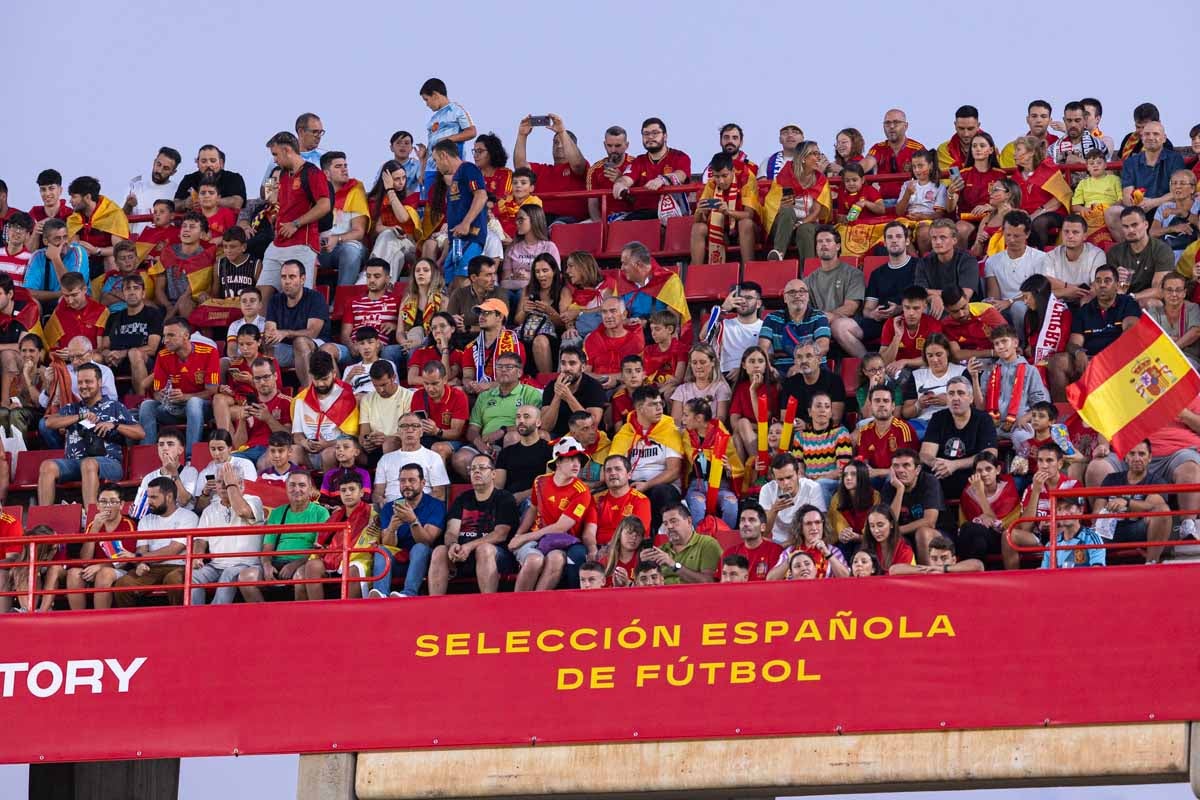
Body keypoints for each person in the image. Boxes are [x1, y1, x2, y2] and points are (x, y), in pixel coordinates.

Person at [37, 363, 143, 508]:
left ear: (99, 382)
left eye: (88, 381)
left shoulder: (115, 406)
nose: (83, 386)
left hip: (109, 463)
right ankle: (43, 517)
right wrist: (80, 417)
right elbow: (49, 423)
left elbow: (139, 432)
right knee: (47, 466)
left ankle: (91, 517)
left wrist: (115, 425)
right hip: (74, 463)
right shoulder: (72, 408)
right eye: (80, 382)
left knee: (89, 463)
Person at [427, 453, 520, 595]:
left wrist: (469, 546)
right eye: (473, 468)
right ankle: (434, 606)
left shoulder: (504, 498)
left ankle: (488, 604)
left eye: (482, 468)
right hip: (463, 554)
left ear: (494, 474)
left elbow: (500, 534)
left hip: (497, 557)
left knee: (484, 549)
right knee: (440, 551)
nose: (476, 471)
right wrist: (452, 545)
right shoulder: (462, 499)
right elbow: (452, 531)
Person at [1046, 265, 1141, 401]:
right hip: (1090, 361)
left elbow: (1130, 330)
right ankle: (1062, 414)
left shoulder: (1127, 303)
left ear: (1116, 285)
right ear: (1094, 285)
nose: (1102, 285)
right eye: (1098, 281)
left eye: (1107, 281)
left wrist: (1107, 357)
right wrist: (1079, 352)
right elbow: (1074, 343)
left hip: (1118, 358)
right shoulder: (1084, 311)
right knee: (1057, 362)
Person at [238, 471, 330, 602]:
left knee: (300, 578)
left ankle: (299, 620)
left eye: (302, 485)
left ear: (310, 489)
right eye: (292, 485)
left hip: (304, 563)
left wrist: (294, 565)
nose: (296, 489)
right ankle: (265, 618)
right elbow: (267, 546)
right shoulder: (277, 512)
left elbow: (318, 550)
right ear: (286, 488)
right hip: (277, 564)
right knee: (245, 577)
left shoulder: (321, 512)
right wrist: (267, 565)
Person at [113, 476, 200, 607]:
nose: (148, 501)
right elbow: (141, 549)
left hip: (178, 567)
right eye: (148, 497)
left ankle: (179, 622)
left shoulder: (188, 517)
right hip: (151, 568)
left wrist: (137, 557)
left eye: (153, 497)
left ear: (169, 497)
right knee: (123, 584)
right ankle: (132, 624)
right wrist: (139, 564)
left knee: (174, 580)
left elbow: (173, 550)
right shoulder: (145, 520)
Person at [138, 316, 217, 459]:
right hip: (174, 408)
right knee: (146, 405)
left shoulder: (209, 352)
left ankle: (189, 457)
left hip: (202, 408)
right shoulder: (162, 355)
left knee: (193, 403)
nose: (166, 340)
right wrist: (162, 396)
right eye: (164, 335)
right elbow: (156, 390)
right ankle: (148, 457)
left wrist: (185, 397)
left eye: (171, 335)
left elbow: (212, 390)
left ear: (186, 336)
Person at [608, 385, 685, 531]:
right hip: (632, 483)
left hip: (662, 485)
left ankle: (657, 537)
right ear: (639, 408)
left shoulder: (669, 429)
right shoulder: (626, 432)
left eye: (660, 403)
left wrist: (647, 485)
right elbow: (614, 466)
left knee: (661, 492)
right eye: (653, 404)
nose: (659, 408)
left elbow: (674, 471)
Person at [261, 131, 331, 292]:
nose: (274, 159)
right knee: (263, 292)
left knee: (298, 295)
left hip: (302, 243)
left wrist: (295, 224)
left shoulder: (312, 173)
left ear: (287, 150)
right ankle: (262, 319)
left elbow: (325, 205)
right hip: (277, 243)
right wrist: (272, 182)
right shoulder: (282, 174)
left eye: (276, 154)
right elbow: (269, 198)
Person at [452, 352, 541, 477]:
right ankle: (488, 487)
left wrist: (503, 431)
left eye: (509, 367)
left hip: (514, 440)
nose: (503, 370)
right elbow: (472, 429)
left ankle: (506, 484)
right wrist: (480, 444)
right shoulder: (484, 396)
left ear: (519, 372)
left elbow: (532, 424)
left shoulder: (530, 393)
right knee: (460, 458)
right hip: (486, 443)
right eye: (499, 367)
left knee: (512, 437)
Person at [190, 463, 265, 605]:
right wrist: (197, 557)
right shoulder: (209, 510)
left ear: (241, 484)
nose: (224, 485)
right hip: (216, 565)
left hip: (247, 565)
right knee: (193, 576)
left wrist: (232, 485)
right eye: (220, 481)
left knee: (228, 574)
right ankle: (195, 616)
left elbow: (242, 511)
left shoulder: (253, 501)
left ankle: (214, 617)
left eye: (228, 481)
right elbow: (200, 540)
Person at [366, 465, 445, 598]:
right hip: (399, 560)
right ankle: (380, 593)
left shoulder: (436, 505)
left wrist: (413, 521)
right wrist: (392, 528)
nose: (406, 485)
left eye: (411, 480)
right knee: (382, 550)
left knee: (420, 548)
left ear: (423, 483)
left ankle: (409, 593)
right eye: (402, 481)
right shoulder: (389, 507)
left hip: (426, 562)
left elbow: (427, 540)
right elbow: (388, 544)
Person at [920, 374, 998, 505]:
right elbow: (925, 454)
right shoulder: (938, 418)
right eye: (951, 394)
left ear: (971, 398)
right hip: (941, 473)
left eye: (961, 393)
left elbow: (990, 454)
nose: (955, 398)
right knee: (925, 478)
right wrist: (937, 464)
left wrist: (954, 465)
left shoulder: (983, 419)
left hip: (971, 474)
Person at [263, 260, 343, 387]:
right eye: (283, 277)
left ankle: (310, 391)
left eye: (292, 277)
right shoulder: (275, 300)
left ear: (302, 279)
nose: (287, 281)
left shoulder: (315, 298)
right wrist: (270, 335)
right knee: (258, 345)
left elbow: (312, 332)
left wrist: (286, 333)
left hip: (316, 345)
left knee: (300, 342)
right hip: (288, 349)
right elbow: (270, 329)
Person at [969, 324, 1047, 453]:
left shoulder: (1030, 370)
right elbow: (981, 407)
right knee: (974, 437)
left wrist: (1025, 418)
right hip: (993, 425)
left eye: (1004, 341)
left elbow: (1040, 404)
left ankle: (1023, 469)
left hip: (1020, 424)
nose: (1000, 346)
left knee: (1021, 436)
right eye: (996, 343)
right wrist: (974, 378)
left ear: (1015, 343)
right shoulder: (990, 371)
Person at [1092, 439, 1172, 564]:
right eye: (1132, 454)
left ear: (1150, 458)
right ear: (1125, 457)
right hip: (1110, 531)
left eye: (1141, 454)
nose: (1136, 458)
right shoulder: (1111, 479)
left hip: (1138, 530)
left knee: (1163, 511)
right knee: (1084, 536)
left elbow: (1151, 507)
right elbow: (1096, 512)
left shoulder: (1156, 481)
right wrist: (1108, 510)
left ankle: (1151, 562)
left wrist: (1127, 503)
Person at [64, 483, 138, 611]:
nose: (107, 506)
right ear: (98, 505)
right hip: (93, 567)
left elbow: (124, 562)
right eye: (103, 502)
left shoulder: (129, 525)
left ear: (121, 505)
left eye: (113, 502)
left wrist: (99, 566)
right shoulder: (93, 525)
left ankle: (101, 621)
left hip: (119, 570)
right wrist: (94, 530)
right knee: (73, 573)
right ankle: (79, 620)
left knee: (104, 574)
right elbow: (85, 559)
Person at [1111, 120, 1187, 241]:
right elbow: (1127, 195)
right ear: (1142, 138)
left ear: (1164, 138)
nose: (1151, 137)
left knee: (1171, 208)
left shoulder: (1175, 159)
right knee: (1112, 212)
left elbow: (1180, 191)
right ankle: (1131, 251)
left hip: (1164, 207)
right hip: (1139, 208)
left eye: (1156, 134)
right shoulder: (1131, 162)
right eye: (1147, 134)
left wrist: (1153, 202)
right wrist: (1137, 203)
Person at [431, 138, 489, 286]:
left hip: (471, 236)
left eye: (436, 160)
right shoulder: (455, 178)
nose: (436, 165)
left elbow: (481, 195)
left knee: (463, 281)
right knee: (450, 285)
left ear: (444, 155)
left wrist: (466, 223)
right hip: (456, 242)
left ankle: (464, 310)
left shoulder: (468, 169)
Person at [610, 117, 692, 221]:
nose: (650, 137)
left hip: (673, 214)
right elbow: (626, 179)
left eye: (655, 133)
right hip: (642, 215)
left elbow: (680, 175)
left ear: (665, 136)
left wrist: (662, 180)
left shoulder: (680, 157)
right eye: (646, 134)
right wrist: (619, 184)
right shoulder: (638, 161)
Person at [513, 113, 589, 223]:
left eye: (562, 142)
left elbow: (577, 164)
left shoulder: (580, 167)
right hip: (541, 220)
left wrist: (562, 132)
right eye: (556, 142)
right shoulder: (543, 170)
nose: (559, 146)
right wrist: (522, 135)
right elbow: (520, 167)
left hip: (570, 223)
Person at [604, 242, 691, 336]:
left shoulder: (669, 280)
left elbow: (672, 320)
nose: (622, 268)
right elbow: (615, 316)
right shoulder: (622, 282)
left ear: (638, 265)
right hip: (629, 335)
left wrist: (646, 323)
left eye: (625, 264)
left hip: (658, 335)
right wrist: (627, 322)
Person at [681, 397, 743, 527]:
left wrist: (728, 468)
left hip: (721, 486)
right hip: (696, 486)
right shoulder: (686, 436)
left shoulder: (722, 436)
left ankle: (725, 539)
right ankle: (697, 541)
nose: (683, 419)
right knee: (697, 506)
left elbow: (735, 466)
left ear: (698, 418)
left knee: (731, 504)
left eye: (686, 415)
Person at [764, 141, 830, 262]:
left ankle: (809, 271)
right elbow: (775, 207)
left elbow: (816, 212)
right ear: (803, 158)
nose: (818, 158)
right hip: (783, 226)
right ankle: (778, 253)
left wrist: (800, 224)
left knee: (806, 229)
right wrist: (786, 210)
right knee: (788, 210)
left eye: (819, 154)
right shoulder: (784, 176)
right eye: (815, 154)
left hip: (806, 223)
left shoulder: (820, 180)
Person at [292, 351, 359, 471]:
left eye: (325, 379)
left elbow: (351, 437)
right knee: (292, 451)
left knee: (328, 453)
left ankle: (326, 488)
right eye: (316, 379)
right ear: (310, 375)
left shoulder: (346, 396)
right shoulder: (300, 399)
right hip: (308, 453)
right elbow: (297, 435)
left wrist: (327, 444)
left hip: (335, 450)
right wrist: (304, 442)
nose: (321, 384)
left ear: (333, 374)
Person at [692, 151, 761, 265]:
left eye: (724, 176)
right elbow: (700, 219)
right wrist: (699, 211)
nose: (721, 181)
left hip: (745, 231)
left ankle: (749, 269)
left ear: (733, 171)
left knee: (745, 223)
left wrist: (728, 212)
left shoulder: (747, 178)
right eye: (717, 176)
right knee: (698, 228)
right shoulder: (712, 183)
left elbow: (749, 215)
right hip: (722, 232)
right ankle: (695, 273)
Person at [984, 210, 1046, 337]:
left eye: (1016, 236)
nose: (1011, 240)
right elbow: (994, 295)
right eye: (1008, 235)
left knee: (1018, 307)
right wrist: (992, 303)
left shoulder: (1041, 258)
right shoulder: (992, 262)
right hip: (1004, 307)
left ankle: (1021, 344)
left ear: (1027, 234)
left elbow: (1038, 292)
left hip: (1030, 306)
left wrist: (1011, 301)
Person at [805, 226, 865, 354]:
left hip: (851, 325)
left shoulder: (853, 274)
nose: (823, 244)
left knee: (837, 325)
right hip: (820, 327)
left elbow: (851, 308)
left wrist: (824, 317)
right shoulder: (808, 280)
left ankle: (870, 364)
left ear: (837, 246)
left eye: (828, 241)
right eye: (820, 242)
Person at [956, 451, 1020, 564]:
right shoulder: (968, 492)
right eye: (979, 471)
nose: (984, 474)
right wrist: (981, 520)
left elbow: (997, 524)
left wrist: (980, 493)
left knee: (971, 529)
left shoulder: (1008, 487)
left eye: (988, 469)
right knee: (976, 539)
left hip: (1001, 539)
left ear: (998, 470)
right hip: (976, 539)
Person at [147, 211, 213, 321]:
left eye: (192, 227)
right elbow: (159, 288)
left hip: (191, 303)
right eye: (184, 226)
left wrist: (168, 318)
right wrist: (168, 307)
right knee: (143, 304)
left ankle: (186, 335)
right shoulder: (168, 252)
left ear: (202, 234)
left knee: (184, 304)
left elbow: (187, 294)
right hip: (168, 304)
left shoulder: (204, 256)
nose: (186, 229)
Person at [230, 358, 293, 469]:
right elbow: (238, 444)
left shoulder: (287, 402)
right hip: (247, 450)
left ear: (275, 376)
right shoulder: (248, 403)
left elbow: (289, 437)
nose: (262, 382)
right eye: (257, 378)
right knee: (225, 463)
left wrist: (268, 418)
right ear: (253, 380)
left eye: (266, 377)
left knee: (263, 462)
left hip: (271, 449)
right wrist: (242, 421)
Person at [375, 412, 451, 504]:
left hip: (422, 507)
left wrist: (411, 505)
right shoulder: (385, 459)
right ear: (398, 431)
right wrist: (380, 501)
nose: (410, 430)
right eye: (404, 426)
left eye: (415, 426)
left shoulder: (433, 457)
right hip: (392, 508)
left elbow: (439, 494)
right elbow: (377, 493)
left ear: (422, 432)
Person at [637, 501, 721, 585]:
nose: (669, 527)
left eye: (674, 521)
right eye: (665, 524)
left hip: (694, 596)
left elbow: (709, 582)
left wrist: (674, 565)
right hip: (663, 596)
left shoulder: (707, 544)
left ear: (689, 521)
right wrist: (643, 564)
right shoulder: (660, 550)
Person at [1010, 137, 1073, 246]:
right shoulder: (1015, 177)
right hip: (1026, 216)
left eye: (1018, 150)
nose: (1014, 154)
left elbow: (1059, 198)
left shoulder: (1048, 168)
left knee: (1039, 222)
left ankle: (1040, 256)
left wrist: (1036, 213)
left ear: (1031, 153)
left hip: (1051, 213)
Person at [949, 132, 1008, 248]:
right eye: (974, 146)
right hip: (967, 218)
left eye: (982, 145)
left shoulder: (1000, 175)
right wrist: (950, 193)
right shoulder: (963, 174)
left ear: (991, 150)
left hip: (992, 217)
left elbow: (1007, 203)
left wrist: (990, 207)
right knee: (961, 228)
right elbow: (950, 207)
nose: (978, 149)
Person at [317, 151, 368, 286]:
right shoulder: (317, 193)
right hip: (319, 248)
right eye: (338, 166)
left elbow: (359, 232)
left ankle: (341, 300)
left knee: (351, 250)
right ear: (326, 173)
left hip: (345, 246)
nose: (344, 169)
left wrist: (336, 239)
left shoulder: (355, 189)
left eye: (345, 165)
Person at [420, 78, 477, 196]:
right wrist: (423, 170)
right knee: (430, 206)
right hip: (431, 170)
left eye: (427, 99)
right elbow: (430, 146)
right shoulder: (432, 119)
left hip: (450, 168)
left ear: (435, 95)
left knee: (452, 201)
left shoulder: (457, 110)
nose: (426, 104)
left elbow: (472, 132)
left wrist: (448, 139)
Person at [1107, 206, 1175, 306]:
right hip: (1121, 298)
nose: (1130, 230)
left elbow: (1160, 290)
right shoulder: (1114, 252)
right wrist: (1115, 279)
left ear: (1146, 224)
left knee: (1151, 303)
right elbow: (1110, 289)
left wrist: (1131, 297)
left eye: (1134, 225)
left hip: (1146, 299)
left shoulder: (1162, 250)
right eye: (1125, 226)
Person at [757, 280, 831, 371]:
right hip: (782, 373)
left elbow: (823, 346)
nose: (797, 295)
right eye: (792, 292)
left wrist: (801, 366)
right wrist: (769, 369)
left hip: (814, 371)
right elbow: (762, 347)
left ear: (808, 297)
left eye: (802, 291)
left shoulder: (819, 317)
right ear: (785, 298)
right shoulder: (772, 318)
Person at [902, 334, 965, 437]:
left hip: (951, 420)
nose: (934, 360)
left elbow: (972, 405)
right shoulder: (917, 375)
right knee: (904, 434)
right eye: (930, 355)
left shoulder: (961, 372)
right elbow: (906, 413)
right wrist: (919, 405)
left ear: (947, 353)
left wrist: (949, 401)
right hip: (922, 422)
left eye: (939, 354)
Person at [916, 219, 982, 316]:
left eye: (943, 237)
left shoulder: (968, 260)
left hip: (965, 310)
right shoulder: (924, 262)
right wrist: (932, 298)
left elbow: (964, 296)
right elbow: (919, 292)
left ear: (954, 240)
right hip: (936, 306)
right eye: (934, 238)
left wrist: (933, 294)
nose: (938, 242)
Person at [366, 160, 419, 280]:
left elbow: (403, 217)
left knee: (389, 238)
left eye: (404, 178)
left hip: (409, 244)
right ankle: (387, 285)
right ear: (386, 180)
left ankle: (369, 275)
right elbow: (377, 228)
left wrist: (390, 190)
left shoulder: (411, 196)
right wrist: (391, 229)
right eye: (396, 179)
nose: (401, 182)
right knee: (396, 254)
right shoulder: (377, 199)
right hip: (388, 244)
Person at [766, 504, 849, 580]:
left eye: (817, 522)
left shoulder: (833, 551)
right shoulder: (790, 552)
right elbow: (770, 580)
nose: (814, 528)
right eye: (808, 523)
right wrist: (789, 561)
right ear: (800, 528)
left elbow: (847, 579)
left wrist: (828, 554)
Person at [66, 175, 131, 270]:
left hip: (105, 259)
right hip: (86, 261)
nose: (70, 201)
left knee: (110, 259)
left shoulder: (113, 213)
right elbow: (74, 245)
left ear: (87, 197)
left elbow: (120, 249)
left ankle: (113, 284)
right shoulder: (74, 218)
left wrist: (96, 250)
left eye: (74, 197)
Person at [758, 453, 825, 544]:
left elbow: (820, 527)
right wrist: (774, 510)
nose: (785, 483)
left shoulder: (812, 488)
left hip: (806, 541)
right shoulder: (767, 490)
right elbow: (764, 532)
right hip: (777, 541)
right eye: (780, 479)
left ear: (798, 473)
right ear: (774, 478)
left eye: (789, 477)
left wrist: (786, 546)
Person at [410, 360, 469, 462]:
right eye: (426, 383)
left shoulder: (458, 396)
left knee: (438, 449)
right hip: (426, 438)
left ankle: (439, 478)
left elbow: (457, 433)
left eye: (435, 384)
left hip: (452, 441)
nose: (430, 388)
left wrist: (437, 431)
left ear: (445, 379)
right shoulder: (418, 395)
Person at [779, 338, 845, 429]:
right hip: (798, 433)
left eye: (809, 356)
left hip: (828, 432)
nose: (803, 361)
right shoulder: (789, 383)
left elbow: (835, 418)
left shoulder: (834, 381)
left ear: (818, 359)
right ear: (795, 362)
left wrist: (808, 426)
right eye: (799, 357)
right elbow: (784, 418)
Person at [540, 345, 605, 438]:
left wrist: (568, 397)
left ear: (582, 367)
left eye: (572, 363)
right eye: (563, 363)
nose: (567, 368)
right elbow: (545, 426)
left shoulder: (594, 387)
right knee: (541, 435)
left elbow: (592, 424)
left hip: (585, 436)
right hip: (558, 435)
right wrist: (557, 396)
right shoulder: (551, 386)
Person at [856, 385, 919, 479]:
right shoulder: (864, 431)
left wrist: (877, 472)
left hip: (898, 477)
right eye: (877, 401)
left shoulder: (903, 428)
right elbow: (863, 461)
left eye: (886, 401)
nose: (881, 404)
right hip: (873, 477)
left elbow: (906, 468)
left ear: (893, 406)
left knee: (892, 478)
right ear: (870, 405)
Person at [590, 454, 652, 551]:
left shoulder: (641, 500)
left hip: (627, 551)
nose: (613, 473)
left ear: (629, 474)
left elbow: (636, 535)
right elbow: (589, 531)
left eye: (618, 469)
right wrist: (592, 550)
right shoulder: (596, 499)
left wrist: (610, 550)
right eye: (608, 470)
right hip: (598, 549)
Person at [191, 428, 258, 514]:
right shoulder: (205, 472)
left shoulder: (245, 464)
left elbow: (252, 494)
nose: (216, 453)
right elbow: (199, 509)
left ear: (230, 448)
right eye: (213, 449)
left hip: (240, 508)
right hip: (215, 512)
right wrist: (205, 493)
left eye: (220, 449)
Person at [584, 296, 644, 391]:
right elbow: (585, 372)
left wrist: (614, 380)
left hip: (624, 387)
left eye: (613, 311)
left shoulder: (635, 341)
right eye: (604, 312)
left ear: (624, 315)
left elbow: (636, 374)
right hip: (596, 387)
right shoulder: (593, 338)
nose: (608, 316)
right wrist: (605, 379)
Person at [23, 218, 89, 304]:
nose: (63, 242)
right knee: (33, 302)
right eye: (57, 239)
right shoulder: (37, 256)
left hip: (76, 303)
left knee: (65, 300)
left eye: (65, 237)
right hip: (48, 303)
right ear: (46, 241)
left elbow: (71, 287)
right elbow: (29, 292)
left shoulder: (78, 252)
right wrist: (58, 294)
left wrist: (55, 258)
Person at [1044, 214, 1106, 303]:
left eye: (1075, 232)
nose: (1070, 236)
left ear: (1085, 236)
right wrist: (1068, 291)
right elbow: (1045, 290)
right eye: (1066, 231)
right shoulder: (1051, 255)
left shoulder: (1097, 254)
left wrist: (1063, 288)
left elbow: (1096, 289)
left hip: (1086, 303)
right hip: (1057, 304)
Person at [445, 255, 505, 347]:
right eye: (488, 275)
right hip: (463, 341)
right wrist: (454, 322)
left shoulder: (499, 293)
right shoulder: (458, 294)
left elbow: (500, 326)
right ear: (473, 277)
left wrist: (468, 328)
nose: (493, 279)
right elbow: (449, 322)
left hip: (492, 341)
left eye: (494, 274)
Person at [828, 460, 880, 560]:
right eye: (845, 475)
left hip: (868, 540)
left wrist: (858, 537)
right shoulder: (837, 498)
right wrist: (842, 534)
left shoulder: (875, 496)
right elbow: (835, 525)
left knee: (861, 548)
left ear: (862, 476)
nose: (848, 478)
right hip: (846, 542)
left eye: (853, 474)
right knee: (842, 549)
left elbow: (875, 529)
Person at [941, 285, 1008, 363]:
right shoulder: (946, 324)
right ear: (946, 309)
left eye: (963, 307)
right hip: (970, 363)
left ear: (967, 299)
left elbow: (1008, 342)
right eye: (955, 311)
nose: (961, 314)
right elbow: (957, 354)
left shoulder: (987, 311)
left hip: (999, 359)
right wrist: (991, 352)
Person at [868, 109, 926, 197]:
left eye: (896, 122)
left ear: (906, 126)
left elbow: (929, 176)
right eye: (887, 123)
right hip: (882, 203)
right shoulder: (878, 148)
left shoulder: (917, 149)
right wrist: (850, 170)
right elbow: (866, 163)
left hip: (911, 203)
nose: (891, 126)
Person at [124, 146, 182, 232]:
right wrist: (128, 205)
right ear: (154, 162)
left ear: (173, 172)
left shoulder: (177, 192)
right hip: (135, 243)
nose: (159, 170)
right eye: (158, 164)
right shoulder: (136, 187)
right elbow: (120, 218)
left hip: (164, 244)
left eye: (166, 168)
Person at [174, 144, 248, 212]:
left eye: (213, 161)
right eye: (203, 161)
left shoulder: (234, 178)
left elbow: (237, 203)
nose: (208, 165)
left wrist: (210, 201)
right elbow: (174, 205)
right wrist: (185, 203)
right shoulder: (189, 179)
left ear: (221, 163)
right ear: (197, 163)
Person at [670, 343, 732, 423]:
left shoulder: (721, 388)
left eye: (702, 362)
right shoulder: (681, 389)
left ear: (712, 362)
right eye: (694, 363)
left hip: (710, 432)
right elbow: (676, 421)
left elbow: (721, 419)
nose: (698, 366)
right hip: (685, 433)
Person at [399, 257, 447, 356]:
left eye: (426, 270)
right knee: (389, 351)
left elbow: (443, 330)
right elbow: (400, 331)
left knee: (414, 351)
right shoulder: (406, 300)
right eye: (417, 271)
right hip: (408, 341)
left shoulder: (443, 300)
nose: (421, 273)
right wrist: (405, 343)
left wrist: (420, 343)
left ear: (434, 274)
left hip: (432, 343)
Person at [722, 502, 783, 581]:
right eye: (742, 520)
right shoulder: (729, 553)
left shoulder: (776, 551)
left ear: (763, 527)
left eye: (752, 520)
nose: (746, 524)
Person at [1040, 495, 1105, 569]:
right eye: (1059, 509)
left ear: (1080, 510)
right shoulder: (1051, 544)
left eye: (1068, 507)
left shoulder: (1092, 538)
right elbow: (1044, 574)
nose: (1064, 513)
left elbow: (1098, 570)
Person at [586, 125, 635, 222]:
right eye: (609, 145)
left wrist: (621, 181)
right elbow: (592, 205)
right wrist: (600, 227)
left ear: (627, 145)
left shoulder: (636, 164)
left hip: (632, 218)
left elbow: (639, 202)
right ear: (604, 145)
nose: (613, 150)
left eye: (618, 146)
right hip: (603, 220)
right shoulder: (595, 170)